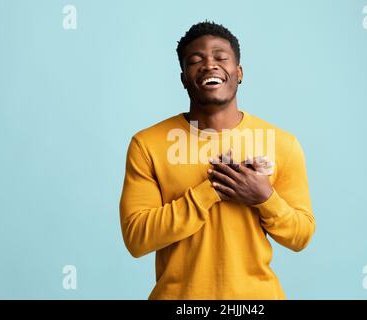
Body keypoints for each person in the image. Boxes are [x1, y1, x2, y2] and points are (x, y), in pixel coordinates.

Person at [119, 21, 315, 300]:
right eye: (196, 60)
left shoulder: (282, 143)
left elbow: (301, 235)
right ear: (184, 78)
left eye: (221, 57)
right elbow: (137, 239)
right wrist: (211, 189)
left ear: (239, 73)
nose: (210, 65)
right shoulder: (147, 144)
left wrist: (264, 197)